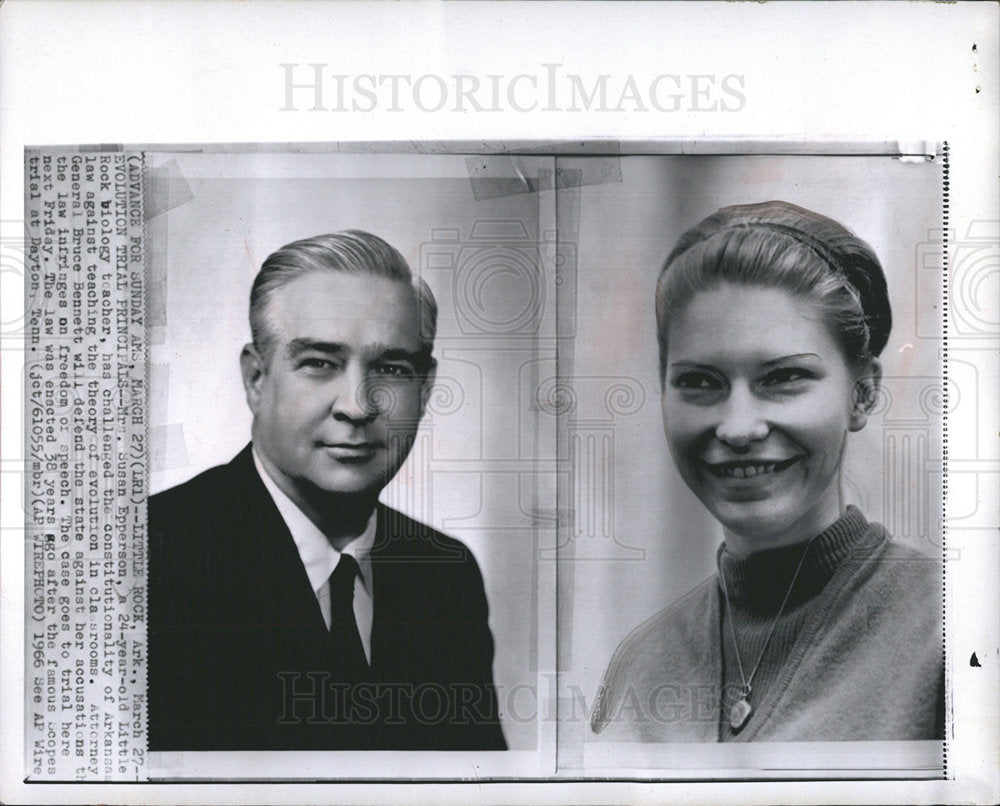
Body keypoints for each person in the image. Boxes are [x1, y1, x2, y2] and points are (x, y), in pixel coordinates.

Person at [590, 201, 944, 743]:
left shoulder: (952, 632)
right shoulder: (638, 666)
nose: (737, 428)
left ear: (863, 392)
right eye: (700, 382)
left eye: (783, 378)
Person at [148, 230, 507, 751]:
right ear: (255, 378)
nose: (357, 406)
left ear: (425, 390)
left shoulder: (444, 574)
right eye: (320, 362)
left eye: (391, 368)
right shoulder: (148, 558)